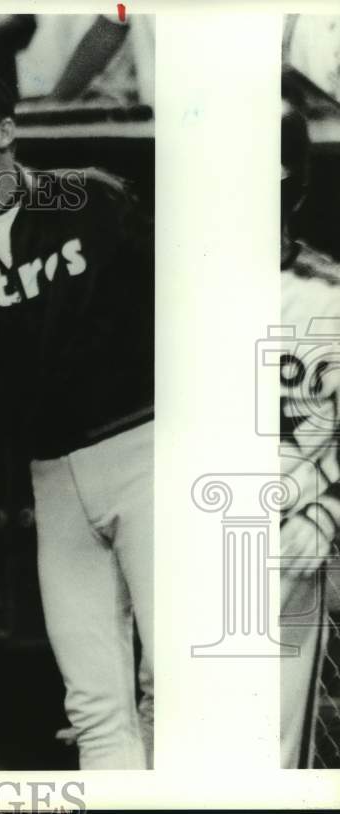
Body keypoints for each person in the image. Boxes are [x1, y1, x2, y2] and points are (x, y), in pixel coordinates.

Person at [0, 63, 155, 769]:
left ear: (6, 129)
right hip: (54, 481)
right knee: (96, 707)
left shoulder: (94, 201)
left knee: (177, 679)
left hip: (147, 451)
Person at [278, 96, 340, 769]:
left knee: (269, 756)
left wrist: (327, 509)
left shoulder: (327, 295)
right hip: (173, 533)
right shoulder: (159, 286)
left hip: (287, 535)